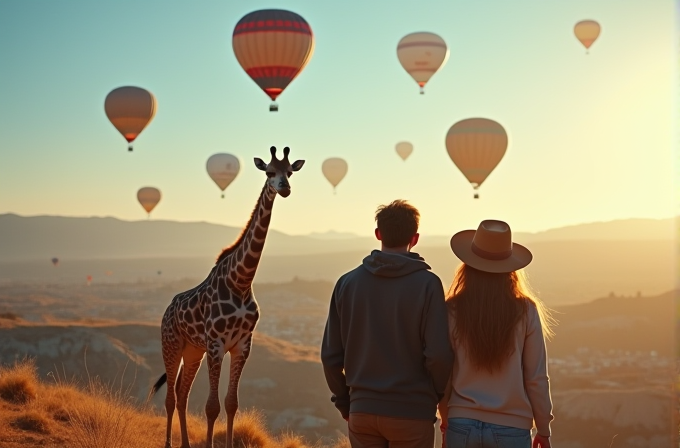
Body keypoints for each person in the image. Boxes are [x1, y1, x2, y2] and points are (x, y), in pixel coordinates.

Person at [321, 199, 454, 448]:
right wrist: (433, 396)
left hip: (362, 411)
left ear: (378, 234)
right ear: (415, 238)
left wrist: (344, 402)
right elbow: (438, 355)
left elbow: (330, 357)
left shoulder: (346, 284)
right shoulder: (428, 285)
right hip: (413, 412)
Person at [439, 220, 555, 448]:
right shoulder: (526, 310)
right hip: (512, 429)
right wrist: (544, 429)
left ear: (468, 265)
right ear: (510, 268)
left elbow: (443, 372)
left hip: (460, 424)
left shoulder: (450, 309)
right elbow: (536, 378)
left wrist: (446, 418)